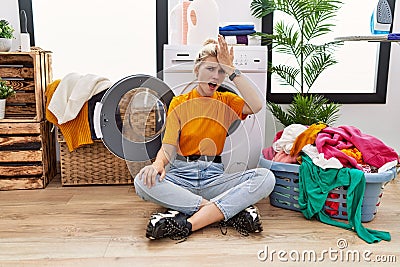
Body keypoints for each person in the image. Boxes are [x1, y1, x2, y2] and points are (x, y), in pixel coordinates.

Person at [134, 35, 275, 241]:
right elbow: (168, 146)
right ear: (196, 69)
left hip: (214, 178)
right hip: (181, 176)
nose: (216, 76)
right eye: (210, 69)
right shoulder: (179, 102)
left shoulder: (227, 101)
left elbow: (256, 105)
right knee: (142, 180)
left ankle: (188, 223)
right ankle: (221, 212)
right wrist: (157, 165)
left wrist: (232, 70)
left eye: (221, 71)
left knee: (265, 177)